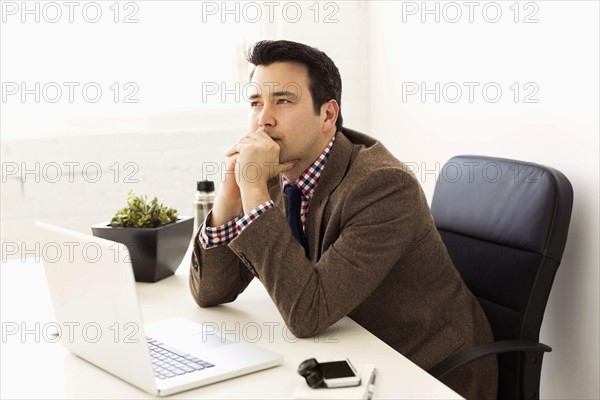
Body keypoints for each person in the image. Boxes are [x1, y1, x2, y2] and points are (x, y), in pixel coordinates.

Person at [189, 40, 497, 399]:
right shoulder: (272, 174)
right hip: (346, 354)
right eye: (256, 102)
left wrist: (253, 189)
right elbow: (211, 292)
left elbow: (308, 314)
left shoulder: (383, 187)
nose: (263, 119)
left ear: (329, 115)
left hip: (426, 373)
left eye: (283, 100)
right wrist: (230, 195)